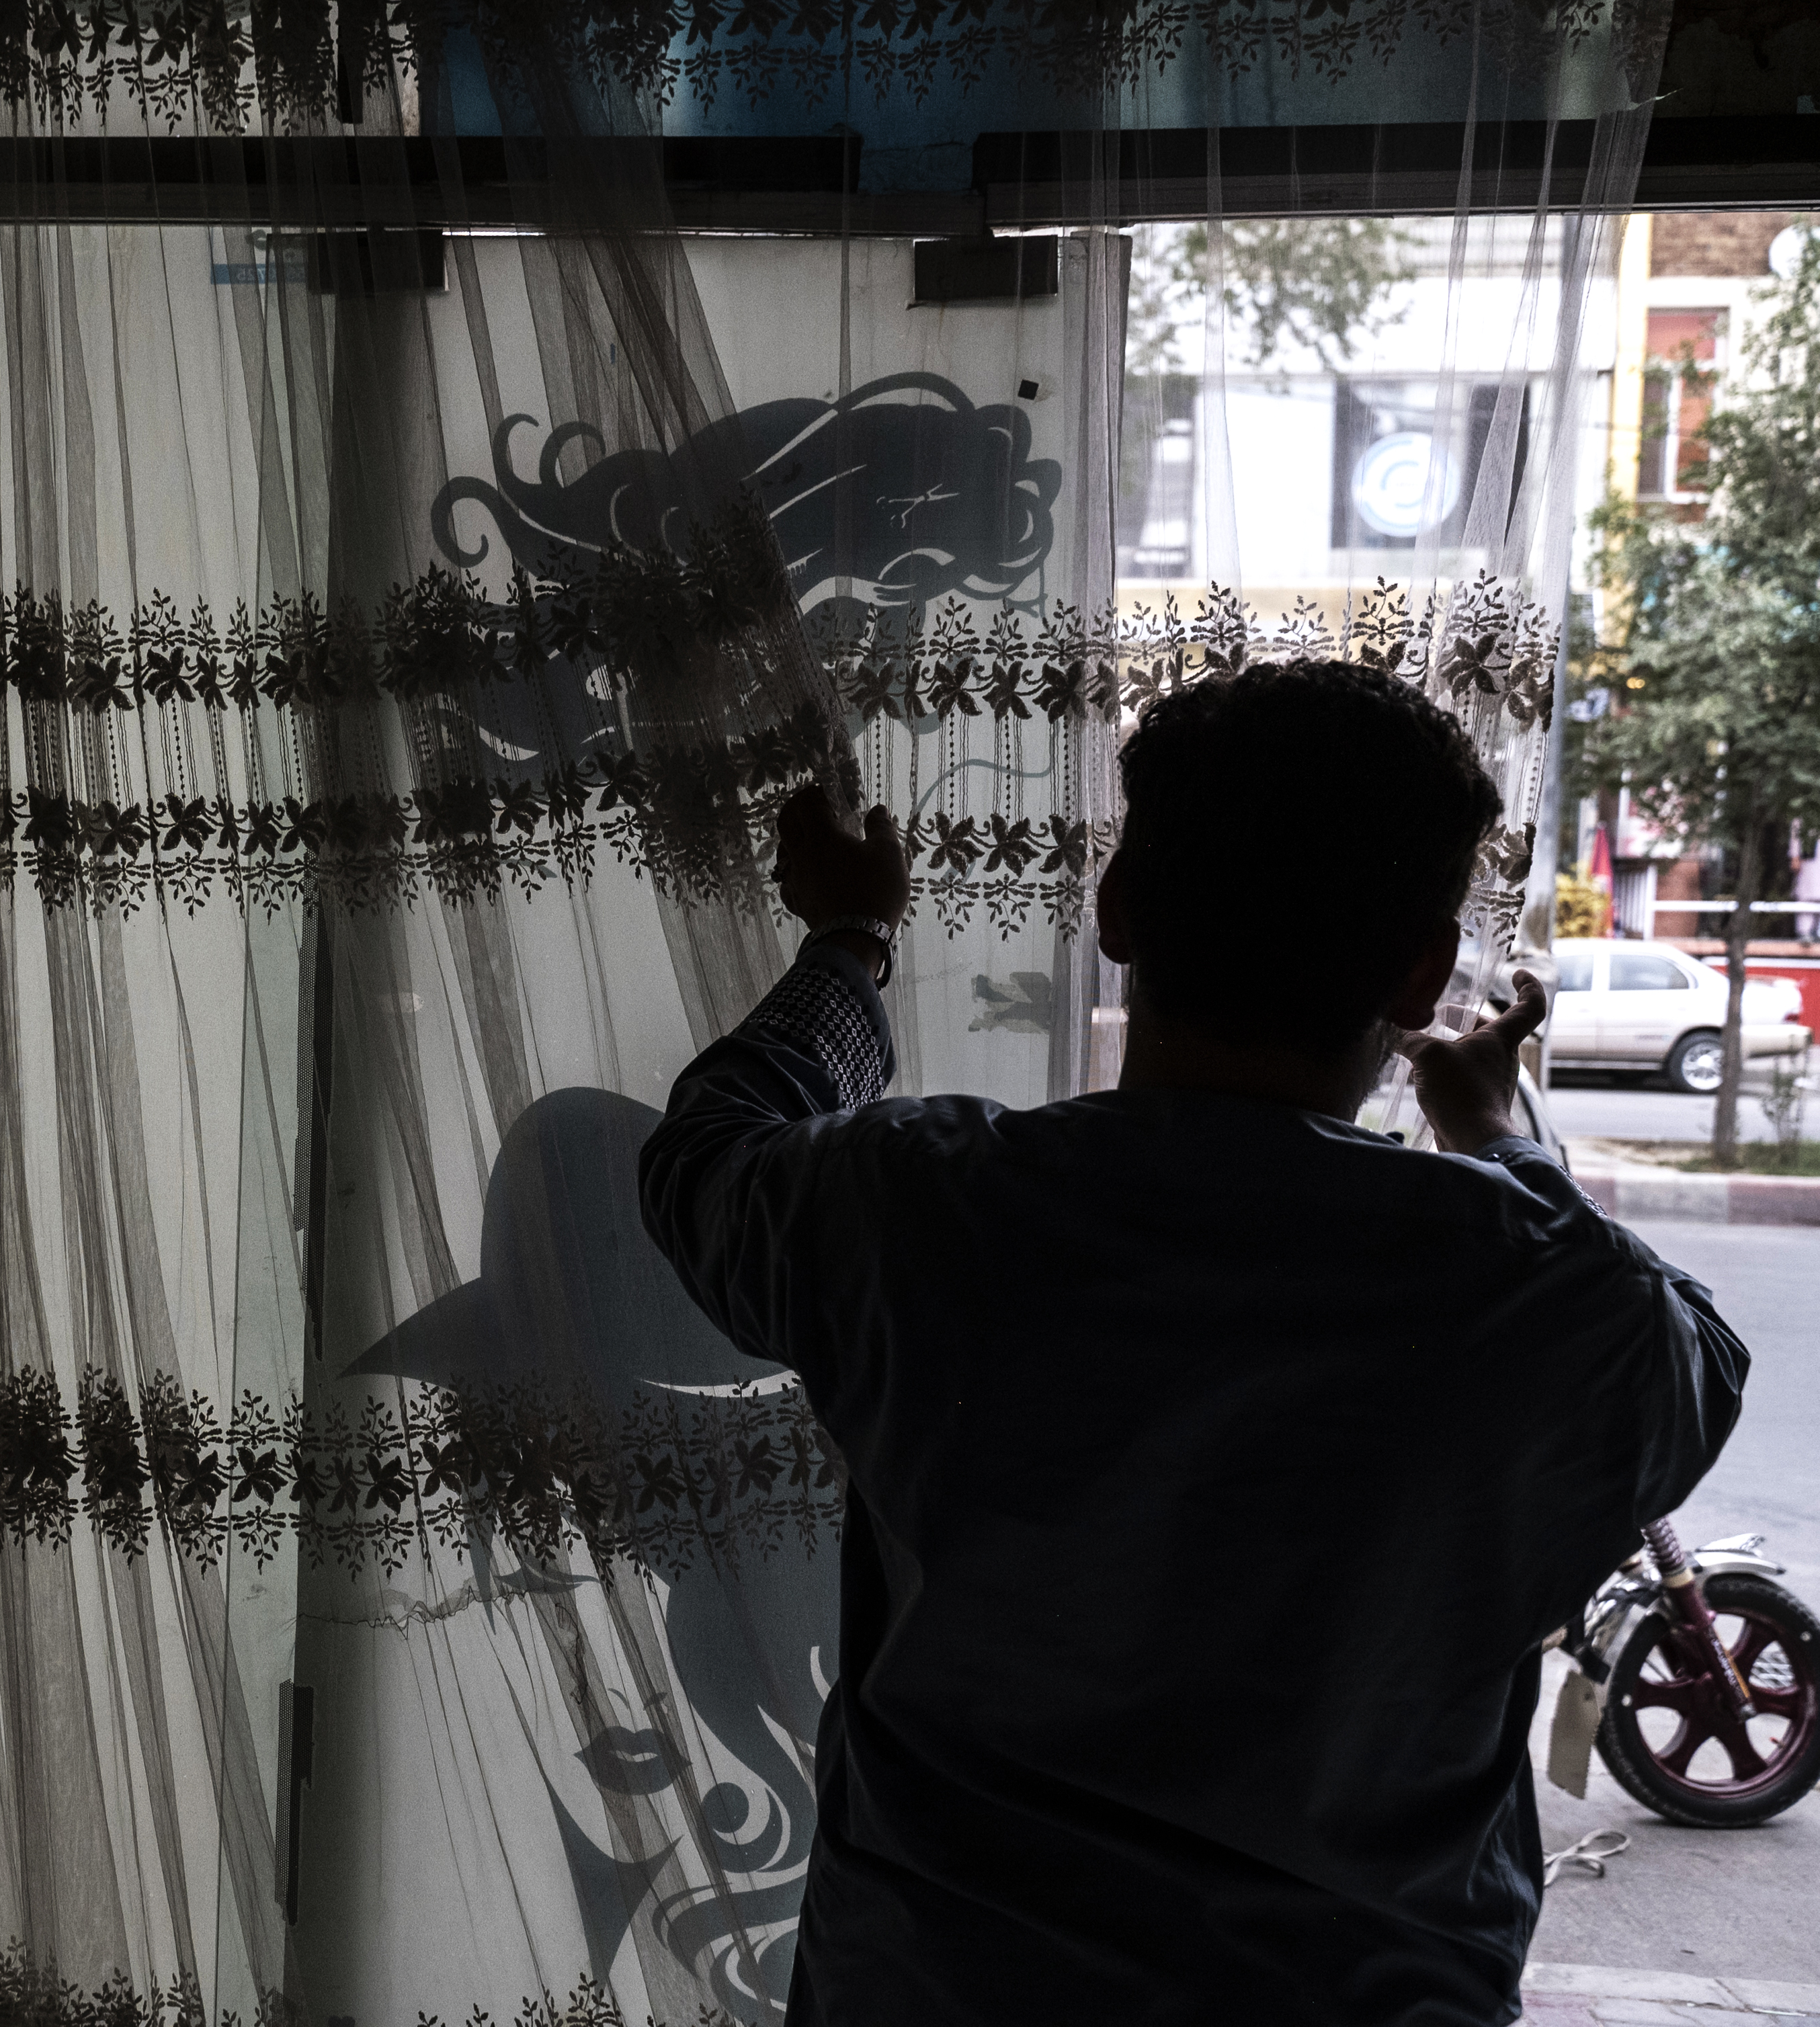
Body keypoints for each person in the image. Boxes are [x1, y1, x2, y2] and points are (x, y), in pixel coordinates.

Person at [638, 660, 1751, 2025]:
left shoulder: (921, 1208)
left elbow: (704, 1157)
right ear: (1417, 975)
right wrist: (1503, 1136)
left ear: (1115, 908)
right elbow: (1690, 1368)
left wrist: (854, 942)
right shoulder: (1519, 1290)